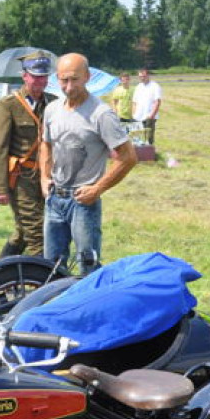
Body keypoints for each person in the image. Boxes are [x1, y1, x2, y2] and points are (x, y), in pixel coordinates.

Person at [40, 53, 136, 274]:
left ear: (87, 77)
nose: (69, 86)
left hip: (83, 202)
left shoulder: (102, 114)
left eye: (75, 79)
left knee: (88, 268)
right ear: (57, 79)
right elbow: (45, 144)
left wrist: (97, 188)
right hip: (55, 198)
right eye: (64, 80)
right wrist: (44, 178)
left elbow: (128, 157)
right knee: (50, 268)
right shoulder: (52, 110)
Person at [0, 51, 56, 257]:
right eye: (35, 76)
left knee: (22, 231)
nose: (40, 81)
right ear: (24, 75)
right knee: (36, 233)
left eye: (44, 76)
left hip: (47, 177)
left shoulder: (53, 103)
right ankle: (44, 283)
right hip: (21, 180)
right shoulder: (8, 104)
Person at [131, 68, 162, 144]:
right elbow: (134, 102)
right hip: (138, 116)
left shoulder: (155, 86)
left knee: (148, 137)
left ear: (148, 76)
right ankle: (139, 153)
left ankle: (149, 153)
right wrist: (134, 114)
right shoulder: (138, 87)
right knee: (137, 137)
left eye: (143, 76)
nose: (142, 78)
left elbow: (157, 102)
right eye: (140, 76)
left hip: (149, 116)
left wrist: (151, 116)